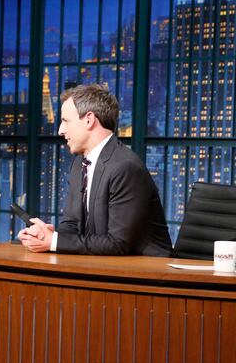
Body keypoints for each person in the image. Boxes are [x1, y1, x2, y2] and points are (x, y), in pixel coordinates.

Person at [18, 83, 172, 256]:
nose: (61, 131)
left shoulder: (125, 167)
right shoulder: (79, 164)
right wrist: (46, 237)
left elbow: (117, 244)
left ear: (89, 120)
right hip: (102, 265)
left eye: (65, 121)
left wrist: (54, 242)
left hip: (147, 273)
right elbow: (72, 224)